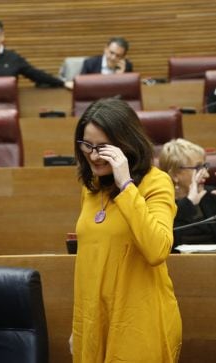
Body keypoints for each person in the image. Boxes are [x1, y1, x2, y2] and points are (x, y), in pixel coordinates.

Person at [71, 98, 182, 362]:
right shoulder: (91, 188)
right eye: (87, 145)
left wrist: (126, 186)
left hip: (140, 323)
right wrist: (80, 329)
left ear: (126, 144)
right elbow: (88, 262)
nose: (94, 156)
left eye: (103, 148)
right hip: (95, 323)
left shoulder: (157, 183)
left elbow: (157, 249)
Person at [0, 19, 72, 89]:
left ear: (2, 37)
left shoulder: (13, 58)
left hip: (6, 111)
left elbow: (35, 74)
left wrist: (62, 83)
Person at [158, 138, 216, 251]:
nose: (206, 175)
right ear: (175, 174)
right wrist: (189, 203)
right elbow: (164, 244)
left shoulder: (211, 196)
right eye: (199, 168)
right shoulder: (159, 203)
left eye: (205, 166)